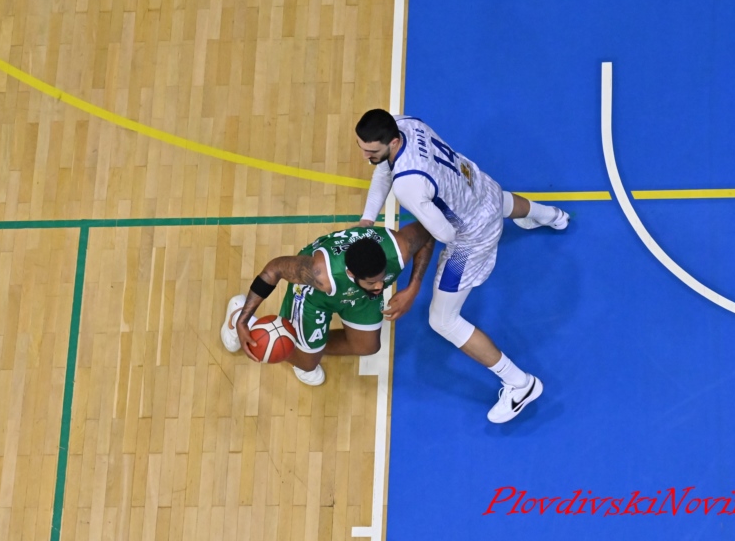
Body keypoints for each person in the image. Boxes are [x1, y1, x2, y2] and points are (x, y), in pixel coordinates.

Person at [354, 109, 569, 423]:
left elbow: (445, 234)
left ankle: (520, 384)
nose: (364, 156)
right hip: (478, 186)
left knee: (442, 320)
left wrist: (411, 260)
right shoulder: (403, 122)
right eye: (361, 147)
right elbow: (386, 168)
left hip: (470, 241)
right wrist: (367, 219)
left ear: (393, 142)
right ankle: (553, 216)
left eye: (370, 151)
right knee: (501, 202)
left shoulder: (409, 185)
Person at [220, 222, 435, 385]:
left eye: (382, 278)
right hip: (315, 298)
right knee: (307, 363)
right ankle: (238, 313)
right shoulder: (320, 274)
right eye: (372, 282)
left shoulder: (399, 248)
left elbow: (428, 232)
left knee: (367, 346)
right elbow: (273, 269)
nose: (380, 286)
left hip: (360, 296)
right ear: (351, 274)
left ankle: (308, 348)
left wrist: (413, 288)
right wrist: (243, 320)